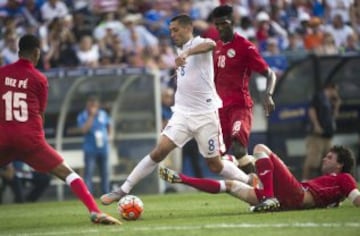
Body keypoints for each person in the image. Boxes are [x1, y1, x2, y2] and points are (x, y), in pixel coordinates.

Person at [100, 14, 254, 205]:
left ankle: (250, 181)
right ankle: (123, 190)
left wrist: (187, 54)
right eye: (170, 30)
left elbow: (212, 45)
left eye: (175, 30)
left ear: (188, 28)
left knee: (215, 165)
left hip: (205, 115)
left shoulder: (201, 43)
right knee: (159, 152)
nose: (172, 34)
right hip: (182, 114)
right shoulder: (179, 50)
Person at [0, 34, 120, 225]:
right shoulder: (39, 79)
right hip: (30, 140)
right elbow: (39, 113)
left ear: (18, 51)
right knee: (69, 174)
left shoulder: (2, 73)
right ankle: (95, 211)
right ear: (37, 53)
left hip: (3, 137)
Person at [159, 144, 360, 212]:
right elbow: (333, 201)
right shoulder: (333, 184)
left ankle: (268, 197)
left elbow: (357, 200)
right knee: (230, 185)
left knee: (260, 149)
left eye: (330, 157)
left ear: (340, 165)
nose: (325, 157)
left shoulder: (344, 178)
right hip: (288, 199)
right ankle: (182, 178)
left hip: (294, 194)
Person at [211, 5, 277, 173]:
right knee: (216, 160)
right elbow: (215, 79)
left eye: (223, 24)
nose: (220, 28)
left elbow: (270, 74)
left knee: (239, 148)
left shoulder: (245, 47)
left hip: (239, 107)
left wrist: (268, 95)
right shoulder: (217, 47)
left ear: (232, 22)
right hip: (220, 110)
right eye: (217, 24)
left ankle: (262, 186)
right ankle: (256, 180)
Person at [302, 82, 341, 180]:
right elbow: (311, 110)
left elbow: (334, 117)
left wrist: (337, 105)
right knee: (312, 162)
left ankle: (326, 182)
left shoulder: (329, 102)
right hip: (317, 136)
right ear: (331, 89)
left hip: (327, 136)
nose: (336, 93)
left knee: (329, 161)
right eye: (335, 90)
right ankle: (304, 182)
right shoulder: (319, 97)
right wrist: (316, 125)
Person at [77, 95, 111, 195]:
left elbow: (109, 125)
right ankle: (88, 195)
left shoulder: (103, 114)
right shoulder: (82, 116)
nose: (93, 108)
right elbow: (84, 130)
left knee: (105, 173)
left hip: (103, 149)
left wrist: (108, 136)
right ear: (87, 106)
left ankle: (106, 194)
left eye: (95, 106)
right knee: (89, 173)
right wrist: (91, 116)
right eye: (91, 105)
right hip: (90, 150)